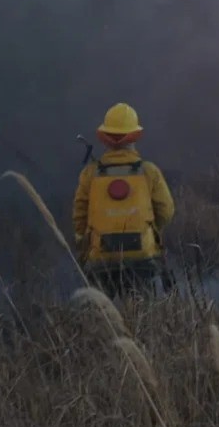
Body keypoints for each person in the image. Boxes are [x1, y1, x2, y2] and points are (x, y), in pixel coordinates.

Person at [72, 103, 175, 298]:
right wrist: (150, 231)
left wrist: (83, 243)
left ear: (105, 139)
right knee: (144, 315)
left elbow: (79, 216)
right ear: (134, 136)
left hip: (100, 259)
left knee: (103, 318)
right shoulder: (149, 171)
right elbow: (166, 211)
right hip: (142, 258)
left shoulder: (90, 173)